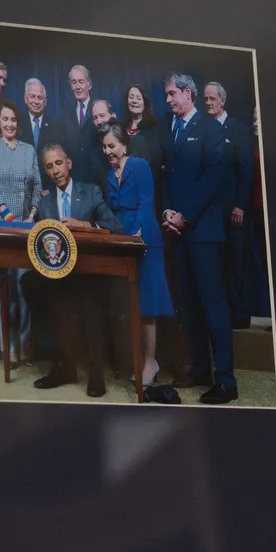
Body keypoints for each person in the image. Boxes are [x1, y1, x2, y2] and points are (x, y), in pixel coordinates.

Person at [160, 73, 239, 404]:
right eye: (166, 96)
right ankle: (201, 370)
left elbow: (213, 178)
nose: (168, 100)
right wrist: (167, 211)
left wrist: (185, 215)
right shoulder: (174, 129)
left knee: (213, 306)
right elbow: (168, 175)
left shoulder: (209, 128)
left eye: (171, 94)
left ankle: (226, 382)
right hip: (178, 233)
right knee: (189, 305)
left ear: (187, 93)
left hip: (202, 233)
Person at [26, 142, 120, 397]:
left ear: (69, 163)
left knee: (91, 299)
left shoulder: (90, 193)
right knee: (31, 284)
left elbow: (114, 223)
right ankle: (62, 366)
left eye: (58, 163)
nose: (55, 170)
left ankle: (95, 370)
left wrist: (84, 224)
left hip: (90, 274)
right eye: (49, 166)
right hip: (58, 276)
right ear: (46, 171)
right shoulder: (44, 207)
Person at [100, 124, 171, 388]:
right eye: (105, 147)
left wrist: (137, 235)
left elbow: (146, 202)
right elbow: (113, 212)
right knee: (131, 306)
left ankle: (151, 362)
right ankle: (140, 361)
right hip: (123, 241)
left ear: (124, 145)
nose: (108, 151)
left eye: (112, 146)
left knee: (147, 307)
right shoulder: (109, 176)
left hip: (145, 241)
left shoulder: (139, 166)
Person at [0, 96, 39, 359]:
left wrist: (33, 213)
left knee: (23, 289)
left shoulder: (28, 149)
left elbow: (37, 185)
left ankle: (24, 346)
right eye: (5, 119)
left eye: (14, 119)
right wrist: (11, 219)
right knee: (3, 290)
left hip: (26, 227)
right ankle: (8, 348)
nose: (10, 123)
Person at [204, 80, 258, 327]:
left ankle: (240, 315)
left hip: (233, 210)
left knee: (237, 262)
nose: (208, 103)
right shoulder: (203, 129)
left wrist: (240, 205)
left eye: (212, 99)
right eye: (205, 99)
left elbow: (246, 170)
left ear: (223, 101)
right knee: (217, 263)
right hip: (210, 211)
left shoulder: (238, 129)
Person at [20, 77, 63, 156]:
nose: (36, 101)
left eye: (40, 97)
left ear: (45, 102)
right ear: (25, 98)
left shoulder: (56, 128)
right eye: (32, 96)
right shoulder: (17, 124)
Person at [67, 64, 95, 134]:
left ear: (89, 85)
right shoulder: (65, 114)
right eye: (74, 82)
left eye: (81, 82)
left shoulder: (97, 108)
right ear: (71, 87)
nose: (77, 87)